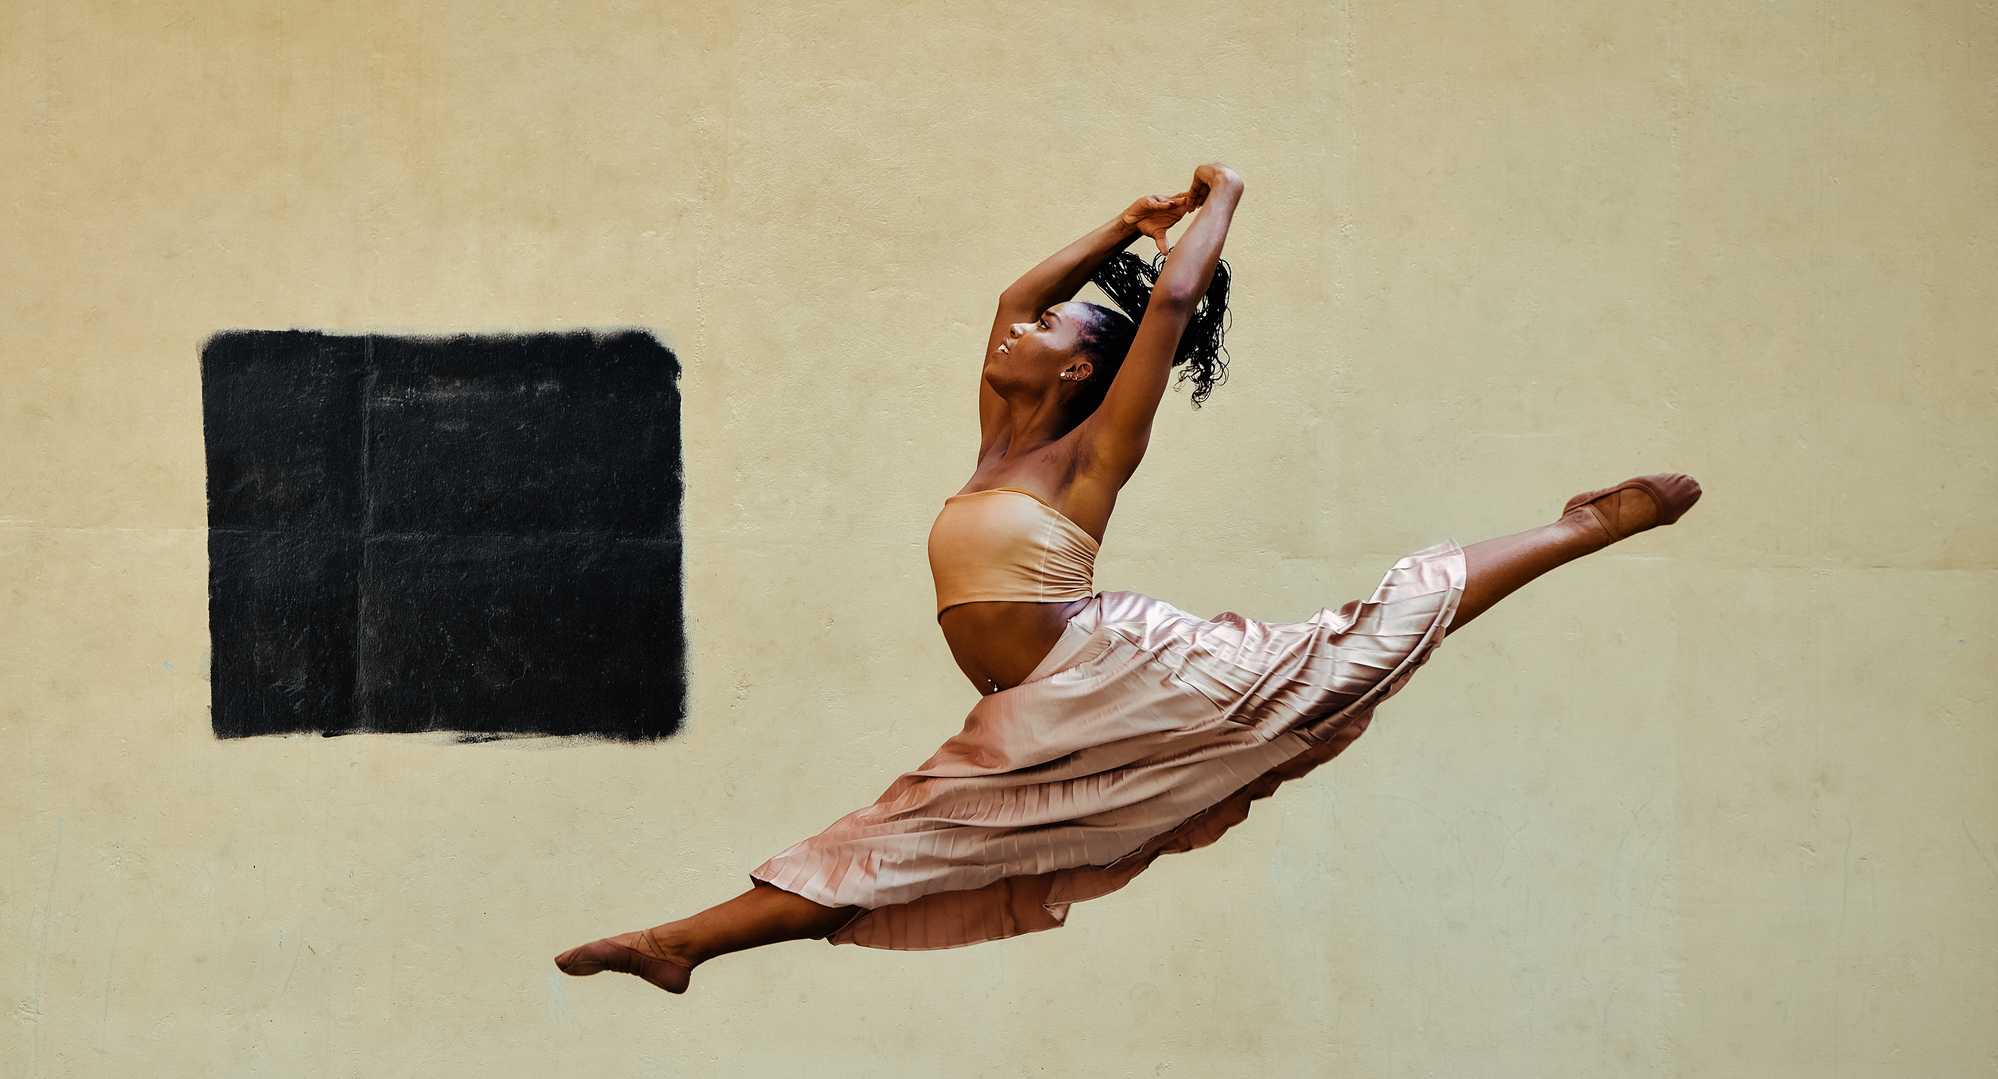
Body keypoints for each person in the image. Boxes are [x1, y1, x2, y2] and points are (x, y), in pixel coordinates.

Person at [557, 162, 1700, 994]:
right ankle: (681, 943)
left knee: (1351, 647)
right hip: (1033, 711)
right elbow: (1011, 299)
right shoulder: (998, 440)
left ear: (1088, 363)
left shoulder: (1088, 455)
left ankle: (1580, 526)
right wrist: (1124, 221)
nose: (1023, 328)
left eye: (1056, 325)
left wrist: (1221, 203)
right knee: (900, 841)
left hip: (1119, 664)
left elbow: (1167, 304)